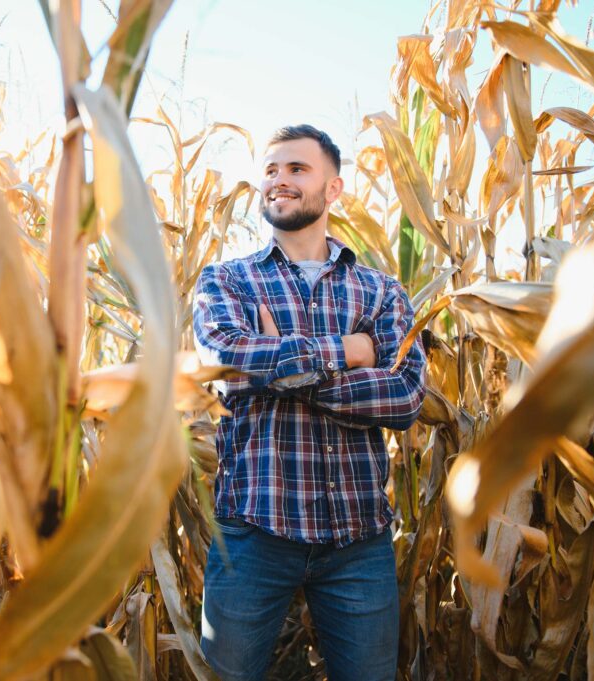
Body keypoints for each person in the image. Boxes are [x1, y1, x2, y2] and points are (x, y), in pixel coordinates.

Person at [192, 124, 426, 681]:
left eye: (297, 169)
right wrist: (351, 351)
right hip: (253, 531)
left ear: (333, 188)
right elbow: (225, 359)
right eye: (271, 170)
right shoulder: (228, 280)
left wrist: (284, 371)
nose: (279, 180)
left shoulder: (381, 291)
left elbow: (404, 396)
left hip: (357, 538)